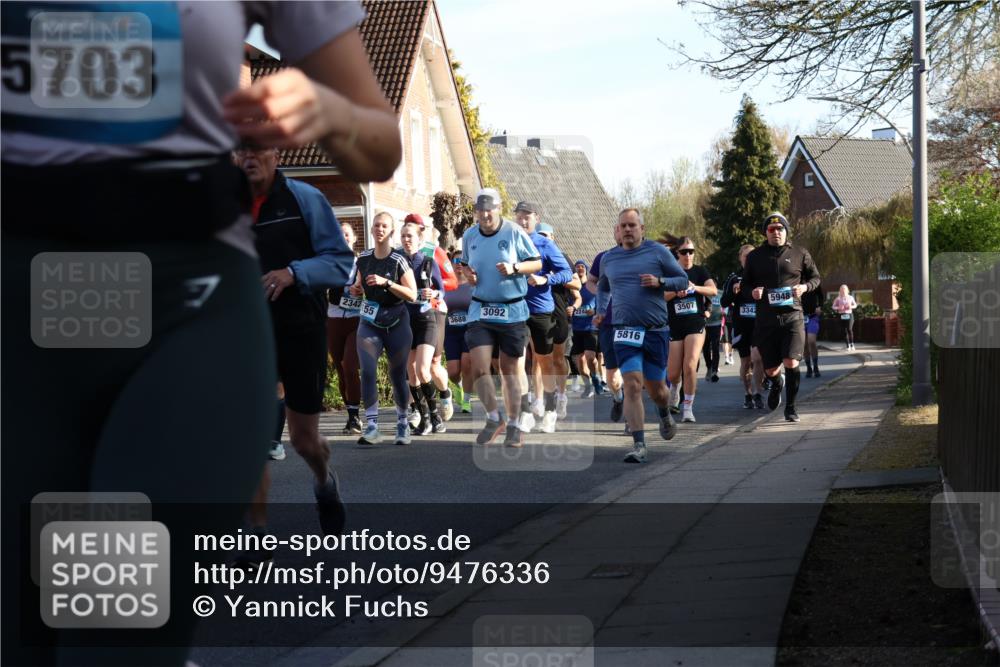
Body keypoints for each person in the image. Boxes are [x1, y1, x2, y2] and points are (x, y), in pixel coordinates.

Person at [1, 2, 401, 665]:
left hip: (185, 305)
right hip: (23, 311)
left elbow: (380, 142)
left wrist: (325, 112)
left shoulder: (302, 202)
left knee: (114, 630)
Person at [237, 143, 355, 545]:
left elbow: (340, 263)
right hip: (249, 335)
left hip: (300, 329)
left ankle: (325, 481)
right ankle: (255, 534)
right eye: (239, 150)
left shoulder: (304, 198)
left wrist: (294, 273)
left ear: (276, 155)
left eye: (256, 149)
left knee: (304, 440)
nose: (247, 157)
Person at [597, 209, 690, 463]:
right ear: (618, 229)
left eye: (632, 225)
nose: (627, 229)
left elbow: (682, 281)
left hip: (655, 331)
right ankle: (639, 445)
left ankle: (664, 412)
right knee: (632, 384)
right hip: (624, 330)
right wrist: (599, 311)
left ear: (642, 228)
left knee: (658, 390)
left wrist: (660, 282)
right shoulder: (609, 258)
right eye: (623, 225)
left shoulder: (657, 252)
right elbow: (603, 287)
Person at [460, 189, 542, 448]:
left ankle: (516, 424)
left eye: (490, 208)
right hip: (481, 309)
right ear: (476, 211)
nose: (485, 214)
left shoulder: (513, 232)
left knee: (509, 371)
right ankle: (494, 417)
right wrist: (468, 276)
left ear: (498, 208)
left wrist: (515, 267)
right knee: (479, 368)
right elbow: (464, 266)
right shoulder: (469, 235)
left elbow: (536, 263)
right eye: (481, 209)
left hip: (512, 310)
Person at [744, 213, 822, 422]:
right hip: (766, 321)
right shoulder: (755, 257)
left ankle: (791, 407)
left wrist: (805, 287)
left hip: (792, 317)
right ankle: (777, 383)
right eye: (771, 230)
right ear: (765, 233)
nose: (776, 233)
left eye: (780, 229)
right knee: (770, 368)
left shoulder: (799, 253)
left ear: (786, 231)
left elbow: (816, 277)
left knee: (791, 361)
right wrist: (752, 292)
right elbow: (745, 285)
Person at [352, 213, 418, 445]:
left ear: (391, 231)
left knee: (397, 375)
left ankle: (402, 423)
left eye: (385, 226)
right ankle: (372, 426)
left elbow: (413, 294)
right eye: (377, 226)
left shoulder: (398, 259)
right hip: (369, 322)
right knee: (367, 370)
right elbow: (358, 284)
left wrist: (387, 283)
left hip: (397, 322)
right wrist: (357, 289)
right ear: (371, 230)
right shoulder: (364, 258)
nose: (380, 229)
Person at [513, 203, 573, 434]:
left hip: (540, 310)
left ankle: (550, 410)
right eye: (519, 217)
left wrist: (545, 279)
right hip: (515, 309)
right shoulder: (508, 243)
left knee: (544, 361)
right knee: (518, 361)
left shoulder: (545, 243)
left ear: (536, 218)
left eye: (527, 217)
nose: (523, 221)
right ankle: (525, 412)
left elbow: (566, 272)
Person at [663, 236, 717, 423]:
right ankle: (674, 389)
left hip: (696, 323)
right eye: (684, 251)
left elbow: (713, 290)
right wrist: (675, 292)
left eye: (691, 251)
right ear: (677, 253)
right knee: (672, 374)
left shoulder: (700, 271)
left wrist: (696, 288)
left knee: (690, 364)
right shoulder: (670, 273)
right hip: (675, 325)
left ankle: (688, 408)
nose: (688, 255)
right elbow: (661, 297)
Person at [410, 214, 459, 420]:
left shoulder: (435, 251)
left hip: (435, 309)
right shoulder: (400, 253)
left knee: (433, 364)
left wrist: (430, 286)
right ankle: (416, 410)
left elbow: (453, 281)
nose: (412, 234)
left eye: (418, 229)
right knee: (409, 365)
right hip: (410, 312)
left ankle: (445, 394)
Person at [400, 220, 445, 435]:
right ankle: (425, 418)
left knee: (422, 369)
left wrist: (434, 293)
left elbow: (442, 289)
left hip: (426, 319)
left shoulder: (427, 261)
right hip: (405, 322)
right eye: (403, 236)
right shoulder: (396, 263)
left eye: (410, 236)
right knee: (411, 372)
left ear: (419, 240)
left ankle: (435, 416)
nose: (407, 240)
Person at [537, 222, 580, 420]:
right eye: (540, 235)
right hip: (537, 312)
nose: (543, 238)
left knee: (557, 358)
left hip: (558, 311)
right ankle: (540, 399)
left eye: (546, 235)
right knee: (538, 359)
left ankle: (562, 395)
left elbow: (577, 284)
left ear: (553, 238)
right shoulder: (532, 258)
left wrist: (552, 278)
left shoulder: (562, 258)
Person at [327, 221, 363, 433]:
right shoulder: (329, 262)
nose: (343, 237)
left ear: (354, 238)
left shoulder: (361, 262)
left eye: (347, 234)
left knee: (349, 365)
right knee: (340, 369)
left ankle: (356, 415)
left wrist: (361, 291)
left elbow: (369, 288)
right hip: (333, 318)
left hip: (355, 319)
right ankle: (351, 417)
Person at [721, 244, 766, 409]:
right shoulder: (734, 278)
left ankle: (758, 393)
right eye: (745, 256)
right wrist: (734, 292)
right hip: (741, 325)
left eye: (751, 255)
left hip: (759, 324)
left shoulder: (761, 275)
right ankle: (748, 394)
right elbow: (724, 302)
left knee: (758, 358)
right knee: (746, 362)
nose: (748, 258)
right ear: (740, 258)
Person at [588, 225, 625, 419]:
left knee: (633, 371)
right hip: (608, 322)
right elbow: (590, 281)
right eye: (620, 228)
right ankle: (618, 398)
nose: (624, 232)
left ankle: (631, 418)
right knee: (612, 375)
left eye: (629, 226)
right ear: (615, 233)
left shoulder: (642, 257)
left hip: (633, 321)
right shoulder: (604, 258)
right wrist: (603, 293)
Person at [444, 254, 475, 413]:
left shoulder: (472, 285)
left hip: (469, 330)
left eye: (462, 262)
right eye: (455, 261)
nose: (458, 264)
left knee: (467, 365)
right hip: (450, 331)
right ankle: (458, 385)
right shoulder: (446, 285)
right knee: (453, 371)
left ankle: (467, 400)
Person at [570, 260, 601, 399]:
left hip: (591, 327)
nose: (580, 269)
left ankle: (596, 379)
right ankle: (588, 386)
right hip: (577, 328)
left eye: (582, 267)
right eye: (577, 267)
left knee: (590, 357)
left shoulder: (591, 287)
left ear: (586, 270)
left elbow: (602, 303)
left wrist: (594, 310)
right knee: (579, 362)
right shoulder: (572, 288)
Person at [802, 282, 825, 376]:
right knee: (804, 345)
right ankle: (808, 367)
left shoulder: (813, 280)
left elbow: (820, 295)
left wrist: (819, 306)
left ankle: (815, 366)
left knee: (811, 341)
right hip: (800, 317)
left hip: (812, 316)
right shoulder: (794, 279)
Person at [703, 290, 724, 382]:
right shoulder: (703, 292)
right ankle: (709, 367)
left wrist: (725, 312)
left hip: (716, 324)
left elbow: (725, 302)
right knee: (705, 348)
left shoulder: (719, 293)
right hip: (704, 325)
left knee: (715, 347)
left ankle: (714, 371)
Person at [832, 285, 858, 351]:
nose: (843, 290)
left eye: (844, 289)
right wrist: (838, 308)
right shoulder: (838, 298)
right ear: (840, 290)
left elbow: (855, 305)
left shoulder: (850, 297)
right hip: (841, 315)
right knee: (844, 331)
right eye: (842, 289)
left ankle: (852, 344)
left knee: (849, 329)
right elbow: (833, 306)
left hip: (849, 314)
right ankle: (848, 346)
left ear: (847, 290)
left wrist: (851, 306)